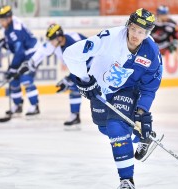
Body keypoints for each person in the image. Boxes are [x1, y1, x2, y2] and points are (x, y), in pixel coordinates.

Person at [63, 8, 163, 189]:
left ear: (147, 33)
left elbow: (149, 87)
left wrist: (142, 111)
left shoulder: (151, 53)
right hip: (99, 90)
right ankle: (140, 135)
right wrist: (85, 80)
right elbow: (70, 54)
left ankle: (126, 181)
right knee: (104, 127)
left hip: (126, 90)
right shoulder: (109, 38)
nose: (135, 35)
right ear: (128, 25)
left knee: (116, 127)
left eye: (141, 32)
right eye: (133, 29)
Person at [26, 23, 89, 126]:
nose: (50, 42)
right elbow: (43, 50)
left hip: (92, 66)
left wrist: (69, 78)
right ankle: (75, 115)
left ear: (59, 38)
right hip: (81, 68)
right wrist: (31, 62)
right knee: (74, 87)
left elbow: (84, 65)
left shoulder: (74, 45)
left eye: (52, 39)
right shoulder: (57, 43)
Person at [0, 5, 40, 117]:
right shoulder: (7, 27)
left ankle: (35, 106)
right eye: (0, 19)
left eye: (2, 20)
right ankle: (17, 105)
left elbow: (19, 51)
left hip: (32, 53)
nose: (1, 22)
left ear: (9, 18)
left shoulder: (16, 28)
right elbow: (14, 46)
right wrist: (5, 43)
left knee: (25, 78)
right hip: (24, 53)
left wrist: (13, 67)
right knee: (13, 79)